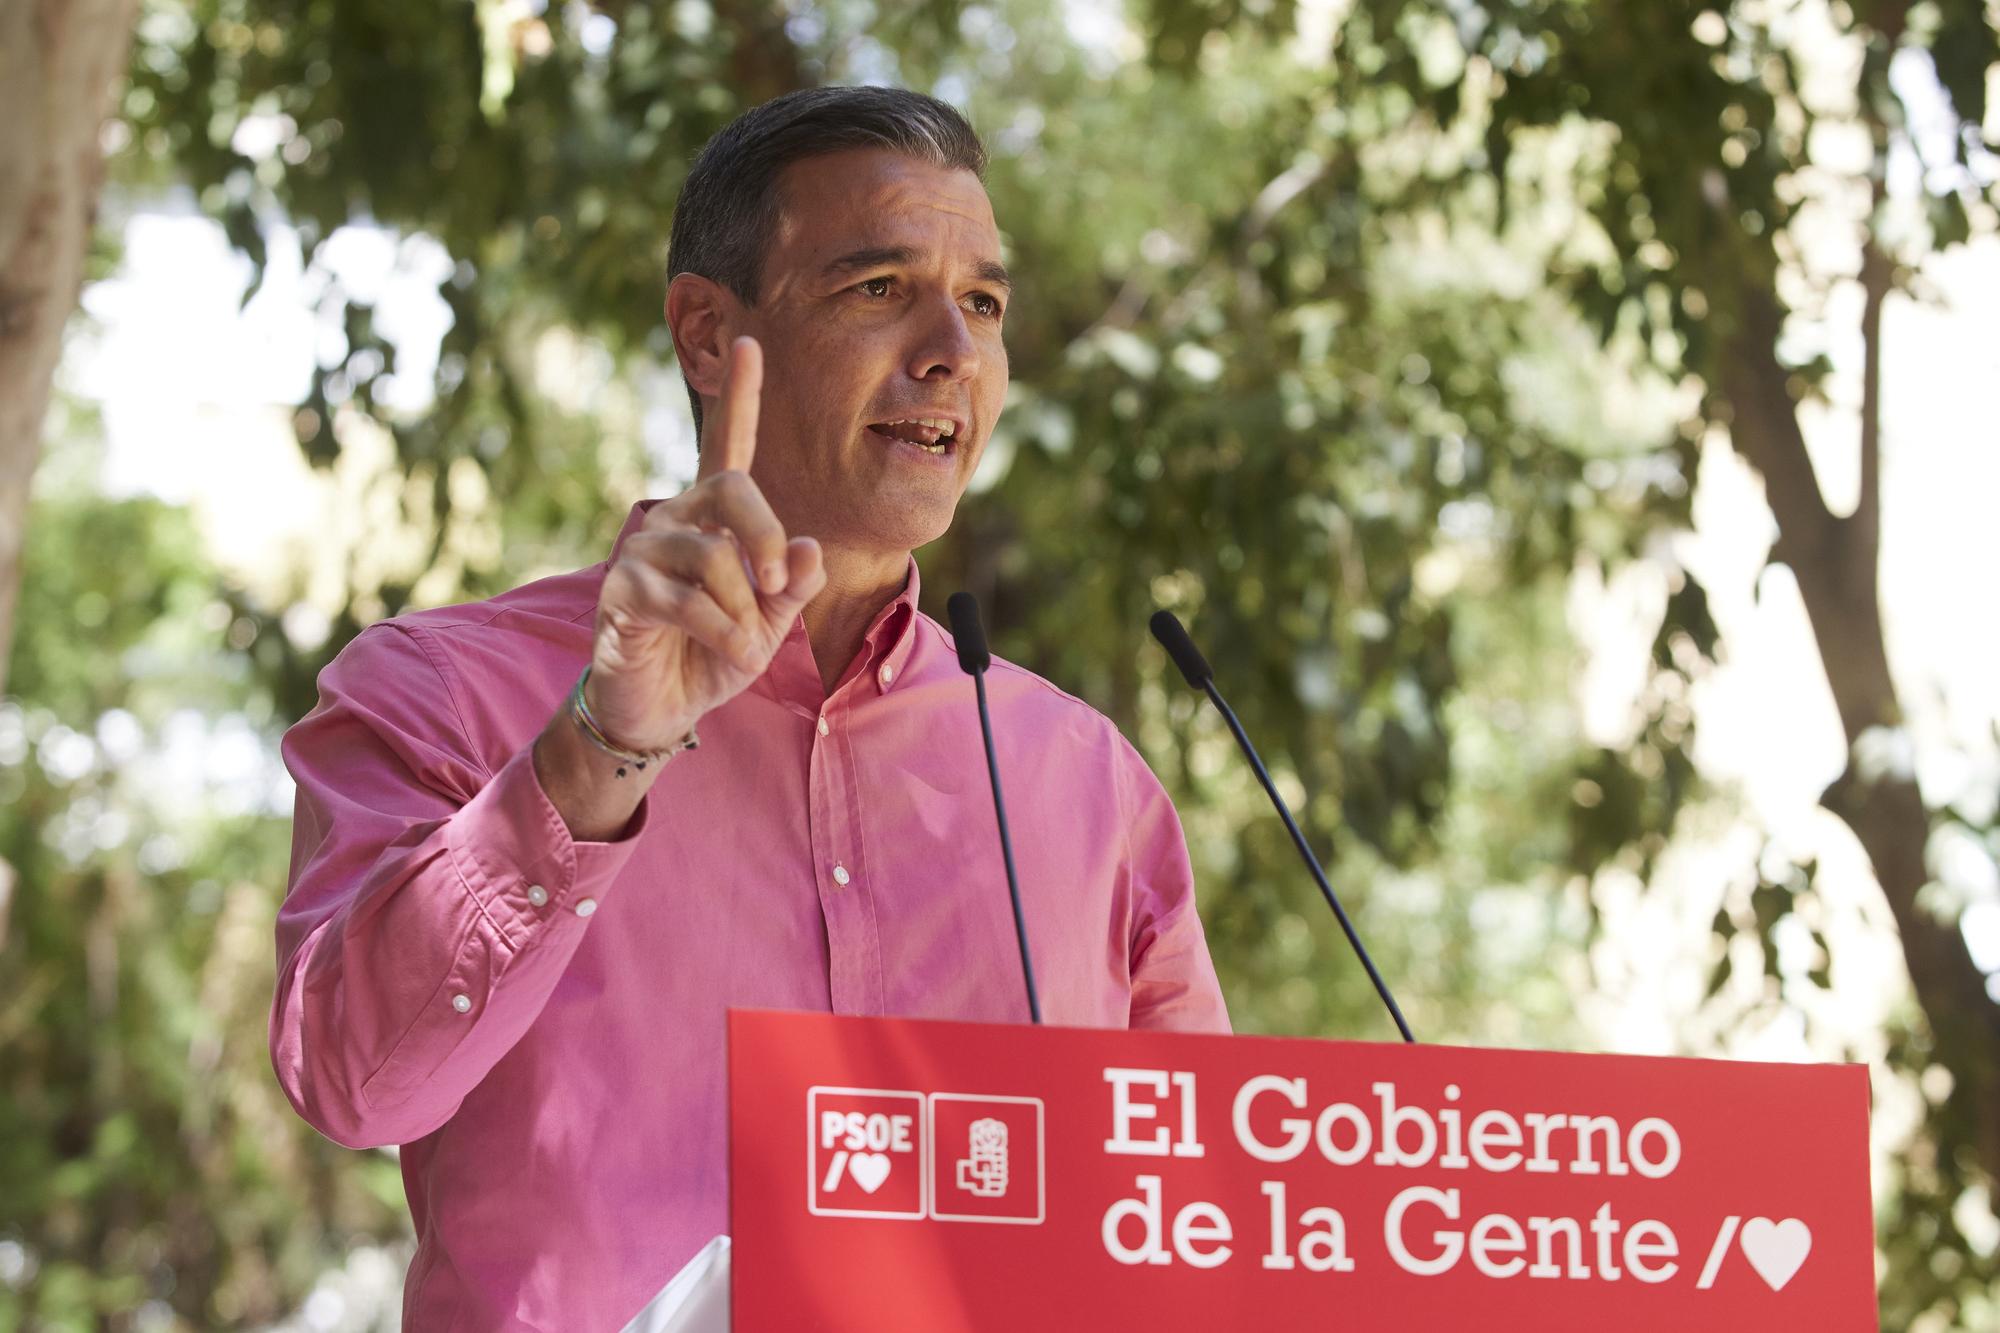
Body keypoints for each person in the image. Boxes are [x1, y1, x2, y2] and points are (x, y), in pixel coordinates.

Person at [271, 85, 1228, 1331]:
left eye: (983, 303)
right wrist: (597, 749)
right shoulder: (447, 689)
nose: (950, 348)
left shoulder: (1086, 781)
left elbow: (1197, 1223)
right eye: (879, 287)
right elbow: (353, 1082)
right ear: (710, 336)